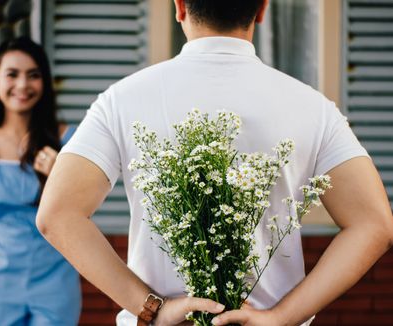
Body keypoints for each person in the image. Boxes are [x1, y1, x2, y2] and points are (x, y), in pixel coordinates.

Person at [36, 0, 393, 325]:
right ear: (262, 10)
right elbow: (375, 224)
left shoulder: (122, 100)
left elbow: (57, 214)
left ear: (179, 7)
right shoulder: (313, 108)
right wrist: (280, 317)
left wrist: (152, 308)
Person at [0, 37, 81, 326]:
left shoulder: (69, 142)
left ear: (45, 82)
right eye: (12, 74)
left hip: (56, 281)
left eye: (33, 75)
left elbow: (83, 213)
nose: (22, 85)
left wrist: (59, 175)